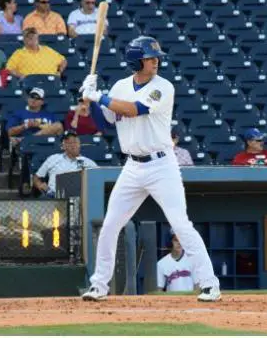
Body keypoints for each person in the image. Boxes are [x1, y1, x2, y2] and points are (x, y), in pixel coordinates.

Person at [79, 36, 220, 302]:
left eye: (156, 57)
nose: (156, 61)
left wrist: (100, 96)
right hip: (132, 166)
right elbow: (106, 122)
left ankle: (209, 283)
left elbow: (136, 109)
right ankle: (99, 285)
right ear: (136, 61)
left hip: (162, 165)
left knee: (180, 223)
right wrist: (91, 101)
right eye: (150, 57)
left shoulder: (163, 86)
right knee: (110, 225)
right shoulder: (121, 86)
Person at [33, 130, 97, 198]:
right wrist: (40, 185)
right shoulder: (53, 159)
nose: (73, 145)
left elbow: (98, 180)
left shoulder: (89, 163)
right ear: (63, 146)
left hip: (79, 198)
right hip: (54, 197)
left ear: (79, 145)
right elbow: (36, 178)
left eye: (75, 142)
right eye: (69, 143)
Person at [157, 228, 195, 292]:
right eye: (176, 240)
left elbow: (197, 286)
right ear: (170, 242)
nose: (179, 243)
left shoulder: (192, 260)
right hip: (172, 301)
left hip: (190, 300)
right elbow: (159, 289)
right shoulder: (161, 264)